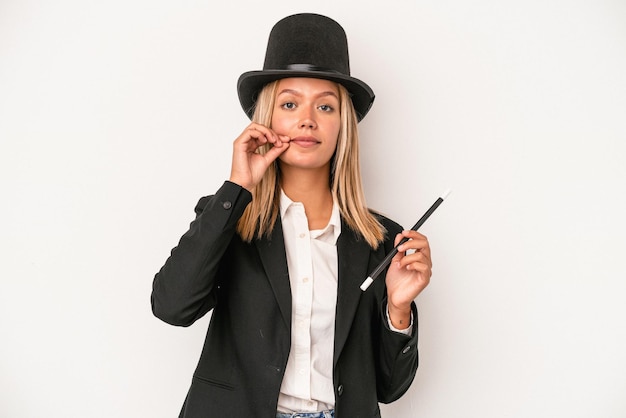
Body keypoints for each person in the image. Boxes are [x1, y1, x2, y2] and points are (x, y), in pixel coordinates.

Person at [151, 13, 432, 418]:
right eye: (289, 103)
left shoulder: (381, 240)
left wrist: (398, 310)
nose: (307, 119)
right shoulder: (231, 218)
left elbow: (389, 389)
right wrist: (237, 188)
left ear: (343, 126)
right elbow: (171, 307)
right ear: (268, 118)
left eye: (325, 106)